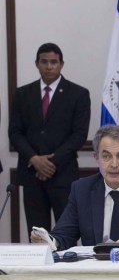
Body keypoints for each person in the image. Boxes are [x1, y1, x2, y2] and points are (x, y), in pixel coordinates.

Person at [9, 43, 91, 234]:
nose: (49, 67)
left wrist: (50, 163)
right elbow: (14, 132)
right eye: (44, 62)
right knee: (37, 233)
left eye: (54, 62)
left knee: (66, 233)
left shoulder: (78, 94)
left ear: (61, 64)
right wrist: (35, 159)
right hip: (31, 175)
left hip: (63, 174)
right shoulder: (22, 94)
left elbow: (79, 134)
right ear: (36, 64)